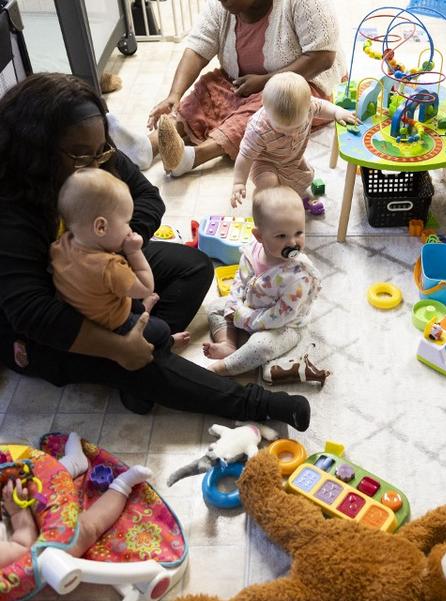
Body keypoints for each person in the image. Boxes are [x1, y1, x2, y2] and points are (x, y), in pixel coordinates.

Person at [0, 73, 310, 431]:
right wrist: (116, 346)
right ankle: (258, 404)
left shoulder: (97, 158)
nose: (94, 164)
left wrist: (109, 247)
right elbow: (31, 311)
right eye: (80, 156)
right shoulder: (12, 205)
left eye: (99, 151)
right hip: (43, 321)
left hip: (99, 272)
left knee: (193, 269)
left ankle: (139, 356)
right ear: (37, 148)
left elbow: (148, 198)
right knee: (136, 355)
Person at [106, 0, 345, 177]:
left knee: (264, 112)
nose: (222, 1)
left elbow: (322, 56)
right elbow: (197, 50)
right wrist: (174, 95)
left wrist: (266, 81)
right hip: (240, 81)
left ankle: (193, 157)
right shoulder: (221, 7)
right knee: (207, 90)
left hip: (301, 81)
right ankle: (148, 146)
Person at [52, 168, 190, 351]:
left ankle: (142, 311)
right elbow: (146, 287)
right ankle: (167, 343)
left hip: (85, 318)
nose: (129, 229)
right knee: (160, 329)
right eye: (126, 222)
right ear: (101, 227)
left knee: (124, 296)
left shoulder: (61, 245)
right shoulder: (110, 267)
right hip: (114, 326)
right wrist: (134, 251)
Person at [204, 186, 320, 376]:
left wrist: (244, 318)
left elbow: (281, 315)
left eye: (299, 232)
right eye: (281, 236)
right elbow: (239, 281)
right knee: (216, 306)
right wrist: (235, 304)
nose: (292, 242)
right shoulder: (251, 252)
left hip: (284, 325)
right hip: (249, 307)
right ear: (259, 236)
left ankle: (224, 367)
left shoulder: (298, 277)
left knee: (261, 345)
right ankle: (228, 343)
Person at [0, 432, 152, 567]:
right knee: (84, 529)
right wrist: (17, 512)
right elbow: (23, 548)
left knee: (38, 481)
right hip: (37, 547)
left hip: (11, 508)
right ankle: (122, 485)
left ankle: (74, 462)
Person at [230, 72, 357, 213]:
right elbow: (245, 156)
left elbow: (322, 107)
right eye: (281, 129)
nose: (291, 133)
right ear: (266, 109)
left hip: (292, 158)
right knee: (269, 183)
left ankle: (284, 187)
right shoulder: (258, 129)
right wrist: (238, 182)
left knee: (307, 177)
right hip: (265, 162)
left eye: (297, 127)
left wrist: (337, 112)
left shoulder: (308, 106)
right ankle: (263, 207)